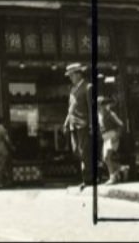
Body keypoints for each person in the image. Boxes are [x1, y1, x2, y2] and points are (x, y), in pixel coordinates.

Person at [62, 62, 93, 190]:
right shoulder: (72, 89)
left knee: (84, 151)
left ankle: (88, 179)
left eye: (72, 75)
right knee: (77, 151)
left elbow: (91, 108)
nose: (70, 77)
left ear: (78, 74)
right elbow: (71, 108)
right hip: (73, 125)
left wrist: (91, 124)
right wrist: (66, 122)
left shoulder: (88, 87)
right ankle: (86, 175)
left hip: (83, 124)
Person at [97, 97, 124, 185]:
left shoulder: (111, 114)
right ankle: (121, 168)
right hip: (105, 138)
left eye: (101, 104)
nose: (100, 107)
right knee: (105, 159)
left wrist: (116, 136)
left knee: (107, 157)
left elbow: (121, 124)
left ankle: (112, 178)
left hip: (112, 135)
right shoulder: (99, 114)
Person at [0, 118, 13, 189]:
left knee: (0, 166)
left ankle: (2, 180)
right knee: (0, 166)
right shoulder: (3, 130)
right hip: (3, 150)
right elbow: (7, 140)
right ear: (3, 122)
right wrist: (11, 146)